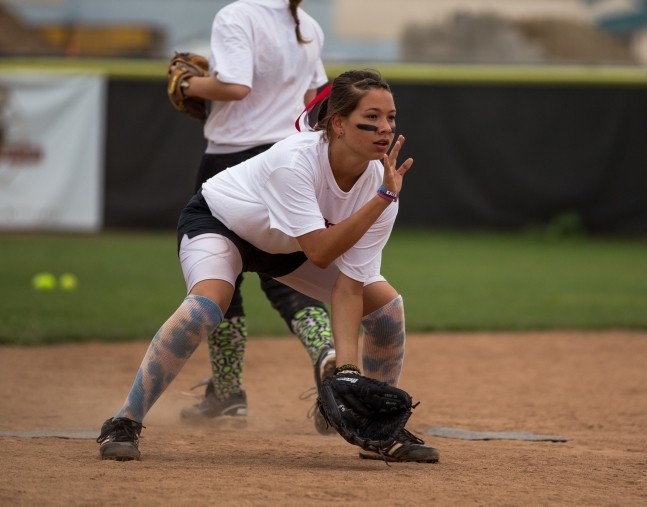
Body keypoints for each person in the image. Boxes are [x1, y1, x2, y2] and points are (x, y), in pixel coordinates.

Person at [96, 69, 440, 464]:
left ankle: (379, 430)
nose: (386, 128)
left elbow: (349, 286)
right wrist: (382, 199)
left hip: (288, 248)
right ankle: (124, 421)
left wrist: (347, 371)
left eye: (391, 117)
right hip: (222, 225)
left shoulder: (382, 181)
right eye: (372, 118)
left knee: (385, 309)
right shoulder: (296, 161)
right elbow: (321, 253)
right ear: (338, 124)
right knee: (206, 307)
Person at [175, 0, 336, 433]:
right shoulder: (307, 23)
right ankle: (327, 355)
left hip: (232, 161)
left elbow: (234, 87)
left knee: (220, 272)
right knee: (285, 270)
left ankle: (227, 394)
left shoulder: (237, 15)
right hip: (285, 158)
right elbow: (314, 97)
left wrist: (189, 84)